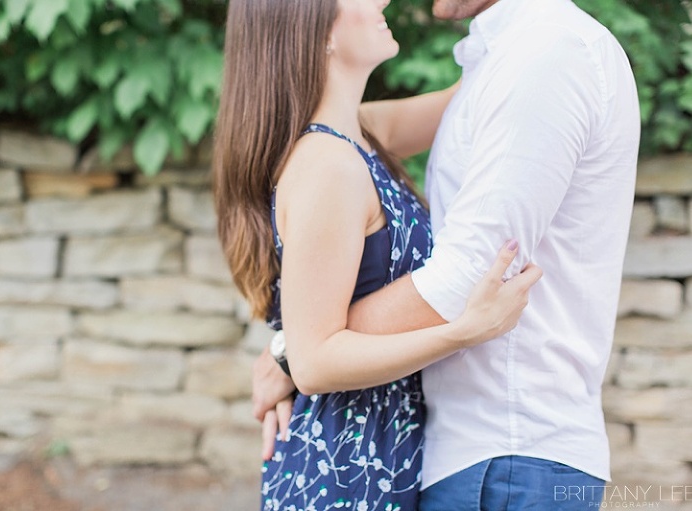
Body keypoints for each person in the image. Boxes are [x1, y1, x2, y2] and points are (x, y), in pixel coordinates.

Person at [253, 0, 641, 509]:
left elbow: (471, 274)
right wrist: (304, 345)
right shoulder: (501, 59)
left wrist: (297, 348)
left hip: (507, 452)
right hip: (462, 453)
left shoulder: (547, 52)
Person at [213, 0, 542, 509]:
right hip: (347, 469)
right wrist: (461, 332)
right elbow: (316, 361)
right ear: (315, 27)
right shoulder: (327, 165)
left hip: (379, 450)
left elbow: (482, 89)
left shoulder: (360, 135)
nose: (383, 0)